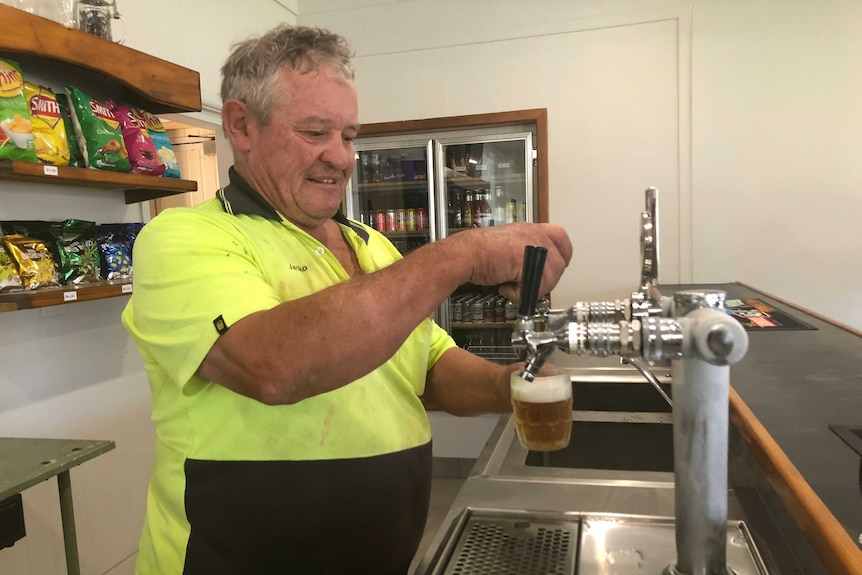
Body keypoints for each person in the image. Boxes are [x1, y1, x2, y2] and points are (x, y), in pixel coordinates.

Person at [122, 23, 572, 575]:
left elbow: (425, 368)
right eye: (315, 132)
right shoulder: (185, 240)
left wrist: (513, 388)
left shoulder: (372, 245)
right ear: (241, 124)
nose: (341, 158)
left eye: (350, 136)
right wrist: (460, 256)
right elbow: (274, 366)